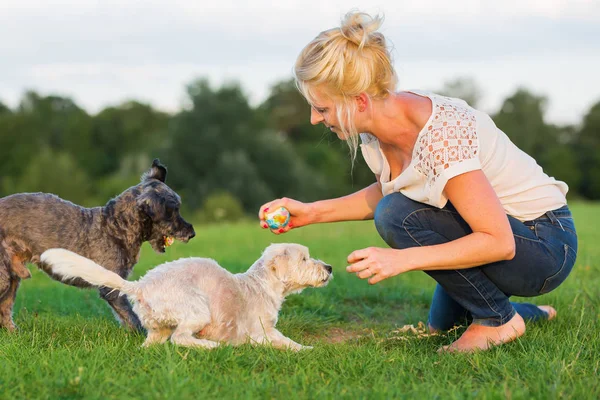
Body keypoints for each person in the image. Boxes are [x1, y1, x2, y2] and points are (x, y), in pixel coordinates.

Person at [258, 11, 577, 352]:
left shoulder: (441, 134)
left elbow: (499, 243)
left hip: (543, 244)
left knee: (396, 214)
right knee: (444, 325)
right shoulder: (377, 128)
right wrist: (312, 212)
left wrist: (401, 259)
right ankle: (525, 315)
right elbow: (393, 186)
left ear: (359, 102)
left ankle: (497, 321)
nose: (313, 119)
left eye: (321, 108)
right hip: (499, 234)